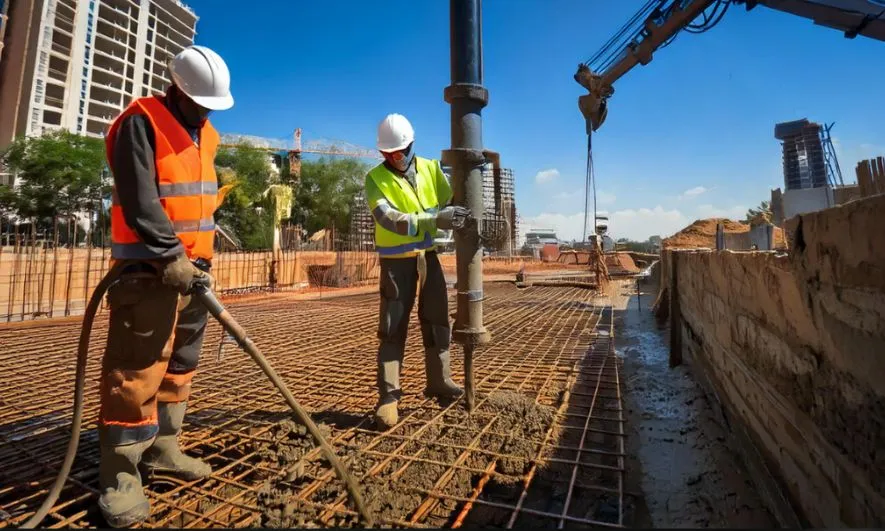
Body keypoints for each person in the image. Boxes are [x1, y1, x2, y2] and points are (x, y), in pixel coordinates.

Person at [97, 45, 234, 528]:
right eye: (199, 103)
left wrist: (196, 260)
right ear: (176, 89)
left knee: (181, 361)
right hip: (149, 269)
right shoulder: (141, 121)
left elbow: (194, 204)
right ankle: (121, 474)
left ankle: (164, 448)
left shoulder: (208, 133)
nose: (205, 112)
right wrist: (169, 255)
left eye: (211, 106)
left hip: (193, 268)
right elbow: (140, 199)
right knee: (136, 368)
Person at [365, 113, 472, 430]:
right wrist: (434, 220)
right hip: (397, 262)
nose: (396, 158)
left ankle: (439, 381)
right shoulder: (375, 179)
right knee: (392, 326)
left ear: (411, 146)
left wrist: (457, 210)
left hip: (428, 256)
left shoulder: (430, 168)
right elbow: (389, 220)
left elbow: (447, 201)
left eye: (400, 152)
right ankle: (388, 397)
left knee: (437, 318)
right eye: (389, 154)